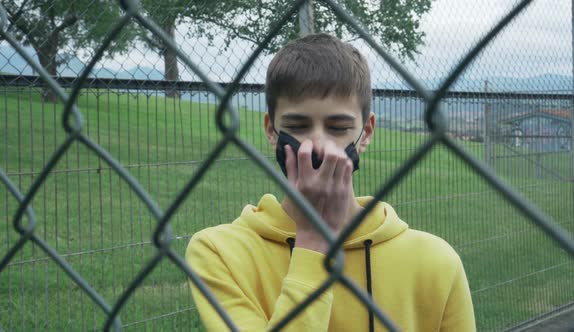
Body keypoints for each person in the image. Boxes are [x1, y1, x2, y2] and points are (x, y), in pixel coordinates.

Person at [186, 33, 476, 331]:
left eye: (338, 127)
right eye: (297, 126)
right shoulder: (219, 253)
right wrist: (313, 240)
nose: (318, 145)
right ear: (271, 131)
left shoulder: (435, 262)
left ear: (366, 133)